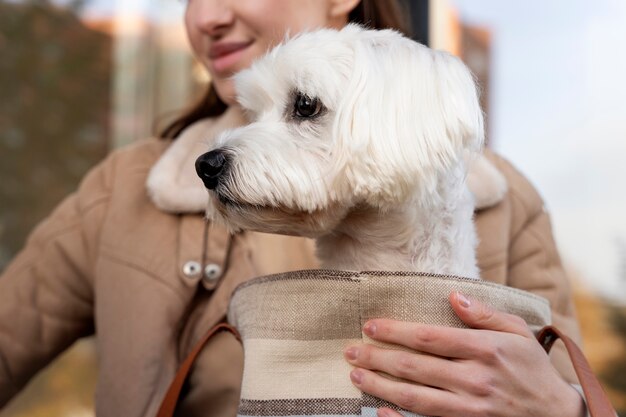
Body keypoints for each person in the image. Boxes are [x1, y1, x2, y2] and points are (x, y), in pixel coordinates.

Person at [0, 1, 588, 416]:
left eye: (304, 108)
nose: (205, 16)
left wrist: (559, 410)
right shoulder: (125, 189)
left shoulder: (511, 200)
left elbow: (571, 384)